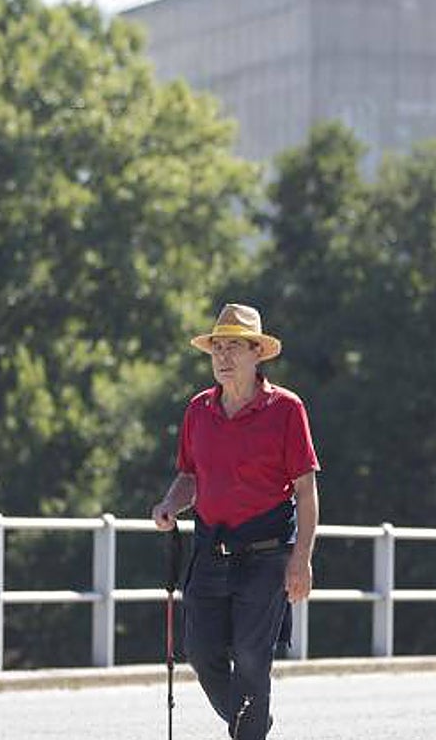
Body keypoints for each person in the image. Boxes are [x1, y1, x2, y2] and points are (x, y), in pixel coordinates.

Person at [152, 303, 319, 740]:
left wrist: (301, 560)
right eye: (217, 348)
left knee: (250, 654)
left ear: (257, 354)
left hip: (266, 553)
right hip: (210, 549)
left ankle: (248, 734)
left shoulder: (286, 409)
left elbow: (305, 491)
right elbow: (189, 475)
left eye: (234, 348)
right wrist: (170, 504)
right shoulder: (198, 411)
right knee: (201, 651)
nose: (223, 357)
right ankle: (252, 725)